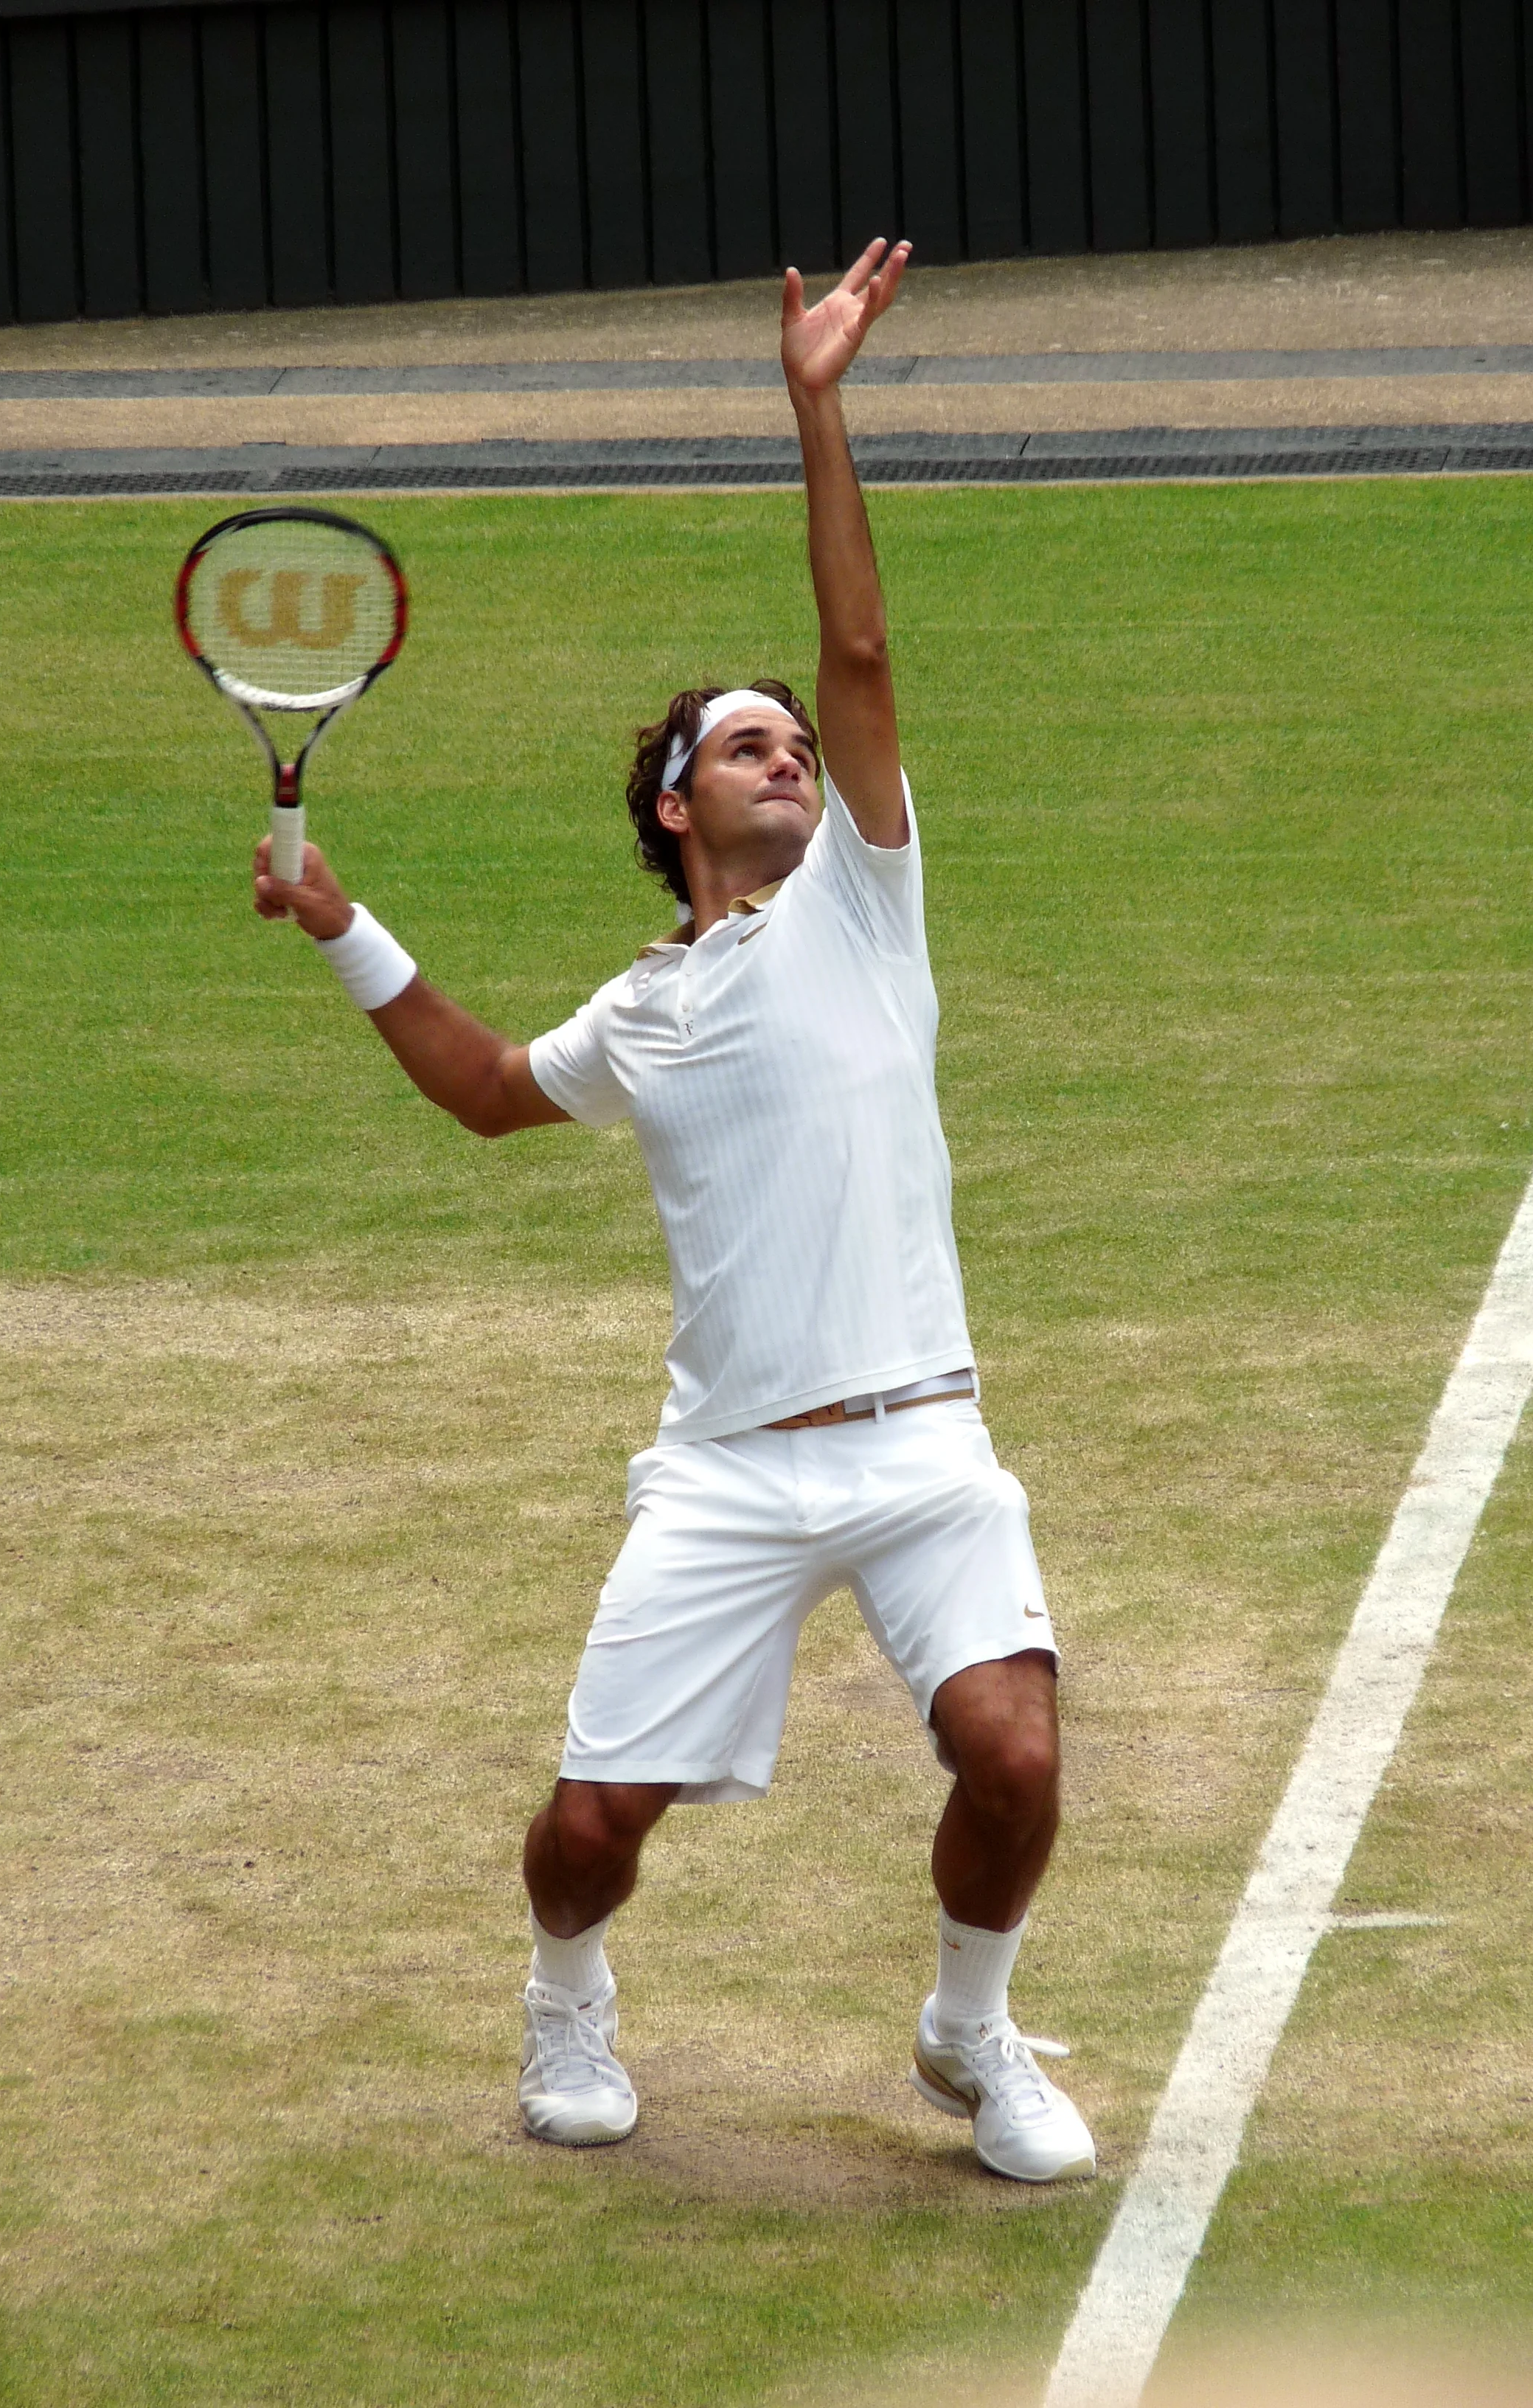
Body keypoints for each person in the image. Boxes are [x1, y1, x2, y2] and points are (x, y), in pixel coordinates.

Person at [251, 238, 1095, 2186]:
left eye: (792, 740)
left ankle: (968, 2032)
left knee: (1017, 1753)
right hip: (722, 1473)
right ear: (671, 808)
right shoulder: (643, 1013)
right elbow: (482, 1096)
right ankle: (567, 2003)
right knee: (585, 1834)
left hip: (921, 1439)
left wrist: (817, 402)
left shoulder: (863, 908)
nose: (788, 750)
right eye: (743, 743)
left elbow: (863, 655)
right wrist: (341, 925)